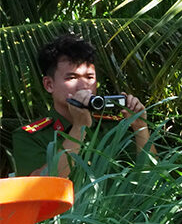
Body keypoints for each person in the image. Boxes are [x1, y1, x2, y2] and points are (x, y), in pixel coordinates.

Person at [11, 33, 152, 177]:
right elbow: (40, 187)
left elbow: (150, 181)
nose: (83, 86)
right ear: (49, 84)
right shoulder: (29, 137)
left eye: (90, 77)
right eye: (72, 78)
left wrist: (140, 127)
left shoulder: (113, 128)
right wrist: (79, 129)